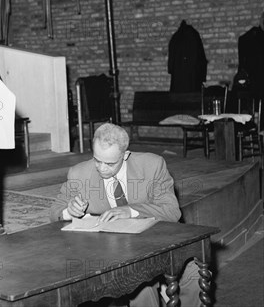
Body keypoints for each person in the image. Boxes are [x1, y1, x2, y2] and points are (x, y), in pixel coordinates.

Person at [49, 123, 200, 307]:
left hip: (155, 242)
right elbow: (55, 211)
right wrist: (69, 210)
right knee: (142, 285)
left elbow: (171, 211)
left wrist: (131, 210)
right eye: (97, 160)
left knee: (194, 274)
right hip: (109, 253)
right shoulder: (79, 174)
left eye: (110, 163)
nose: (102, 168)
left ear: (125, 155)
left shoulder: (152, 165)